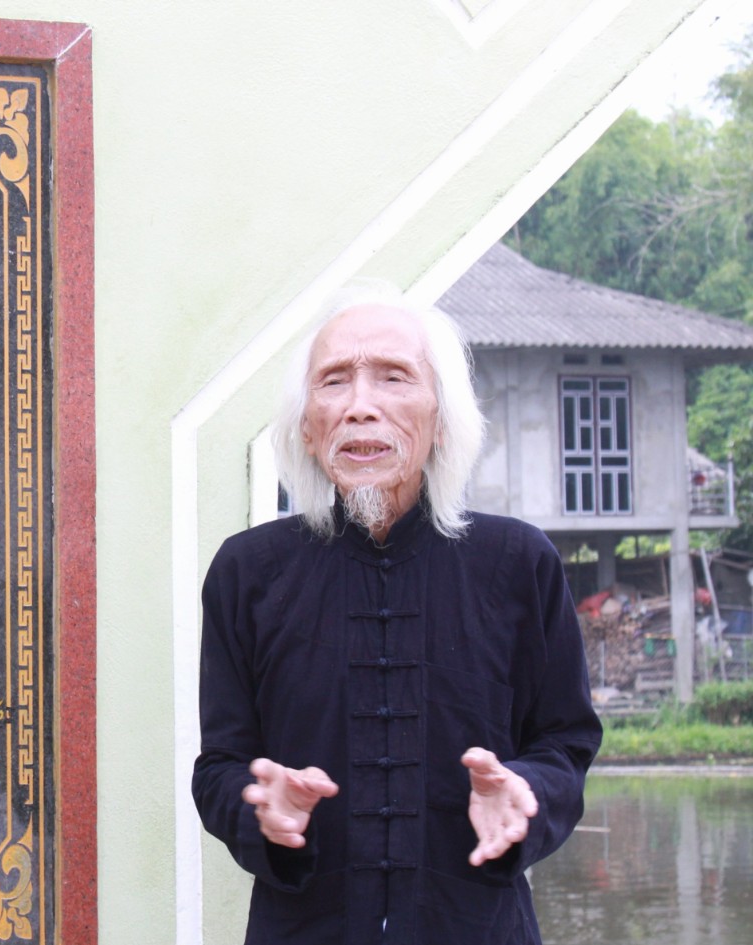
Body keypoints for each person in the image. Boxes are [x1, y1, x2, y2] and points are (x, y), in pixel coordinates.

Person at [192, 285, 602, 944]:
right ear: (306, 424)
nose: (360, 407)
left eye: (394, 377)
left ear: (441, 418)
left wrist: (526, 790)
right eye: (333, 382)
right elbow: (219, 767)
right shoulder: (248, 573)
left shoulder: (518, 563)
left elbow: (565, 745)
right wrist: (259, 807)